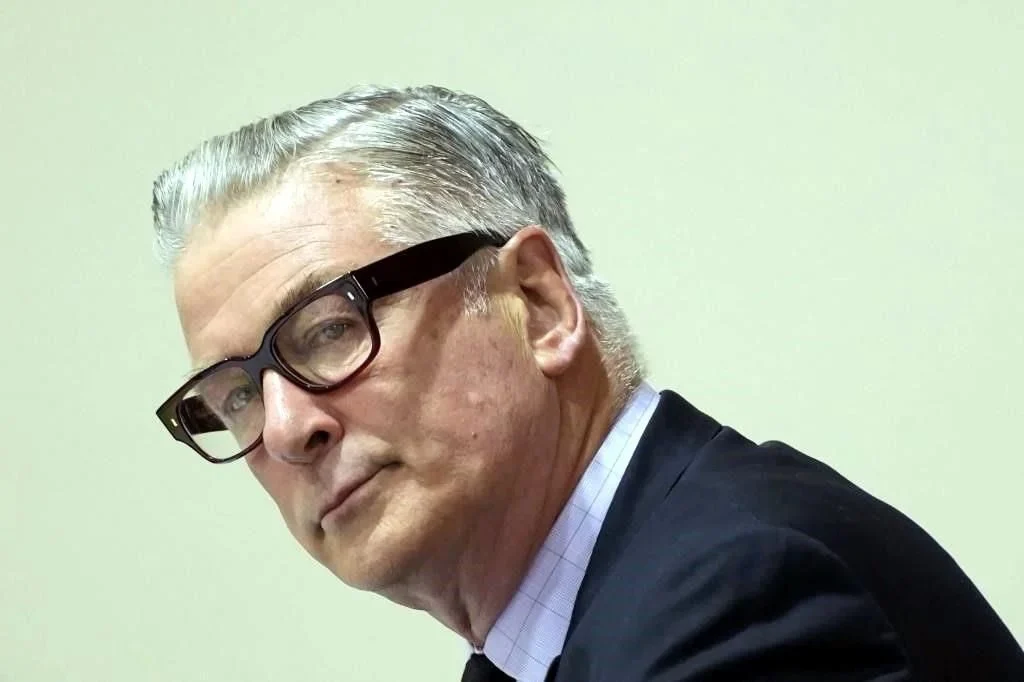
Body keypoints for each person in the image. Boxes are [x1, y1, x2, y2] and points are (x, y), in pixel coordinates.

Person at [152, 85, 1023, 682]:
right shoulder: (554, 641)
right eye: (236, 396)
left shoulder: (739, 599)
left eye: (330, 330)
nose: (287, 429)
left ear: (537, 304)